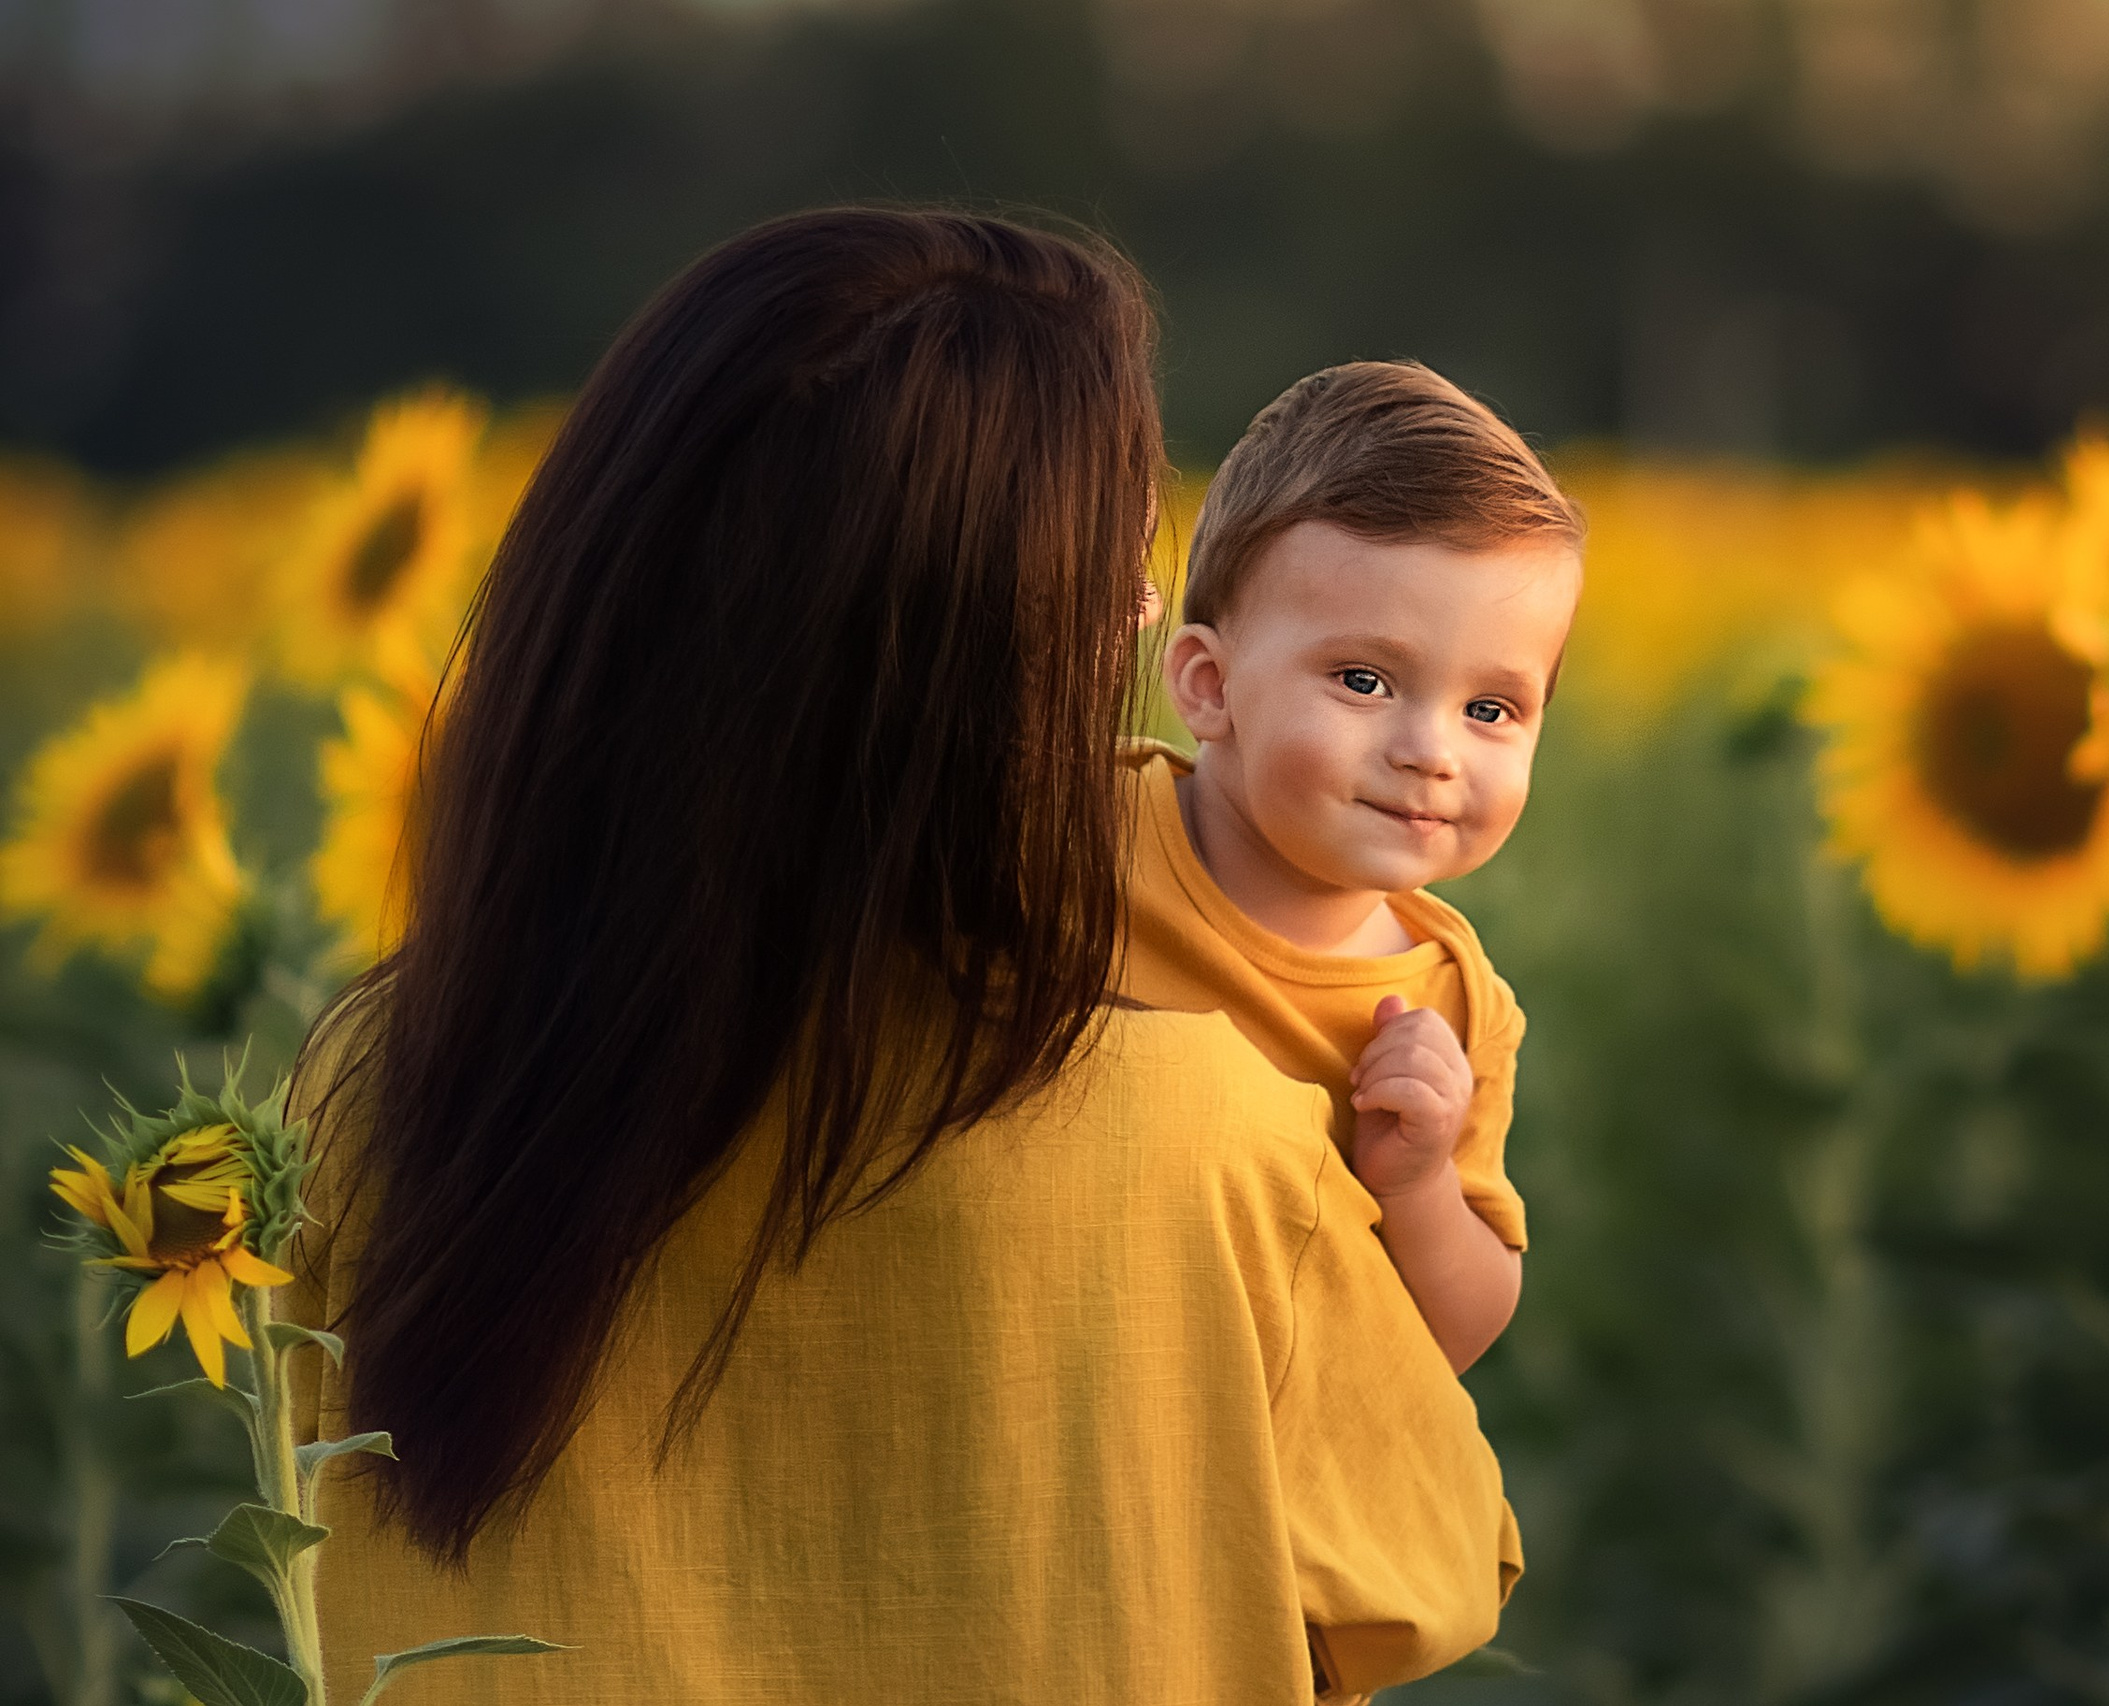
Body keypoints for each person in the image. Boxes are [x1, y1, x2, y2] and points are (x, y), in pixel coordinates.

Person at [285, 209, 1516, 1705]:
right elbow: (1430, 1570)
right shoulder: (1207, 1142)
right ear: (967, 653)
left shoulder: (371, 1087)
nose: (1144, 617)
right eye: (1113, 569)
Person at [1124, 361, 1583, 1375]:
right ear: (1208, 685)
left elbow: (1457, 1336)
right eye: (1365, 681)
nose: (1431, 752)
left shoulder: (1451, 1006)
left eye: (1490, 709)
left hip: (1293, 1460)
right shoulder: (1086, 835)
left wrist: (1418, 1183)